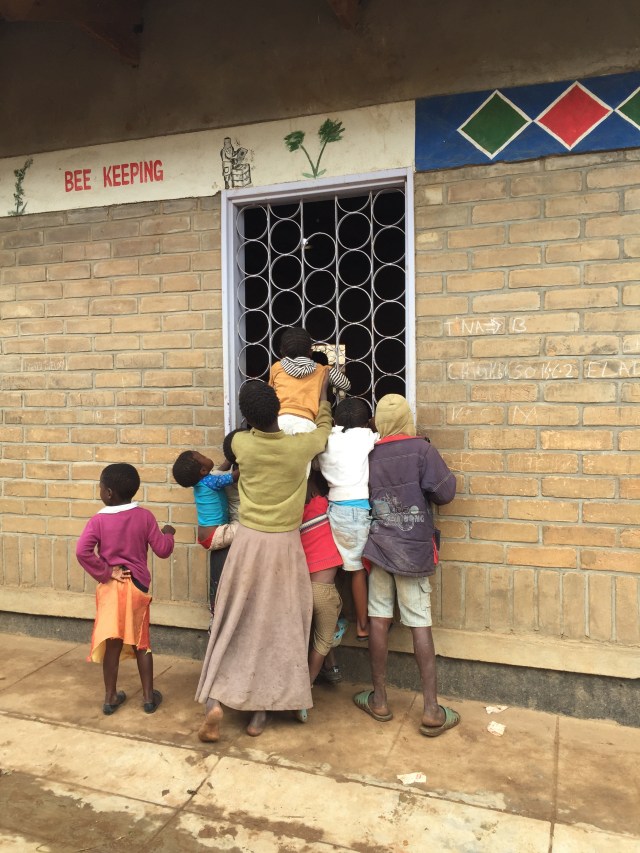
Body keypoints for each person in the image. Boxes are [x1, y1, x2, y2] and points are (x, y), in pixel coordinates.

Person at [195, 374, 332, 741]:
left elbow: (244, 435)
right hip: (284, 547)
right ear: (278, 409)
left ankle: (215, 704)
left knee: (233, 619)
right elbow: (322, 429)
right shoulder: (300, 448)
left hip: (247, 543)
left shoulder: (241, 444)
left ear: (247, 418)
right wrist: (321, 398)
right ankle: (259, 715)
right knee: (279, 625)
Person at [354, 395, 460, 738]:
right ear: (407, 418)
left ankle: (380, 700)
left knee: (379, 620)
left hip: (381, 548)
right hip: (413, 551)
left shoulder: (368, 454)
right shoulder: (422, 450)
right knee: (419, 623)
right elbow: (445, 493)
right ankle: (431, 709)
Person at [76, 463, 175, 715]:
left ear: (109, 493)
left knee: (113, 642)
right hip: (137, 586)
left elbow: (82, 551)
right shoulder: (144, 517)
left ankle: (110, 697)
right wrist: (169, 533)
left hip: (111, 588)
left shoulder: (98, 520)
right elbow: (163, 550)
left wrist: (107, 571)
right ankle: (148, 698)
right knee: (142, 642)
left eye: (100, 487)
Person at [318, 397, 378, 641]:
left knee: (337, 569)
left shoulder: (328, 439)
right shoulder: (364, 437)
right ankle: (363, 626)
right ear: (366, 422)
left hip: (332, 509)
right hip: (356, 511)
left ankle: (331, 620)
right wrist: (373, 425)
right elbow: (379, 432)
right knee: (357, 571)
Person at [172, 450, 239, 618]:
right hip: (217, 534)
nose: (205, 455)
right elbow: (234, 476)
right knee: (246, 527)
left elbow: (223, 468)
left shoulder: (205, 481)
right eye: (202, 456)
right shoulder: (211, 481)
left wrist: (229, 459)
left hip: (209, 534)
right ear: (202, 470)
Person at [300, 469, 346, 694]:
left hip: (302, 589)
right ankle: (306, 686)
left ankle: (332, 667)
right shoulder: (324, 506)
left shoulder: (297, 516)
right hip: (323, 592)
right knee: (322, 641)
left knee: (314, 632)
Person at [268, 326, 350, 435]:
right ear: (311, 351)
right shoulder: (323, 371)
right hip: (307, 423)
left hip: (280, 420)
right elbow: (346, 385)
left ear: (282, 351)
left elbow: (270, 392)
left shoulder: (277, 368)